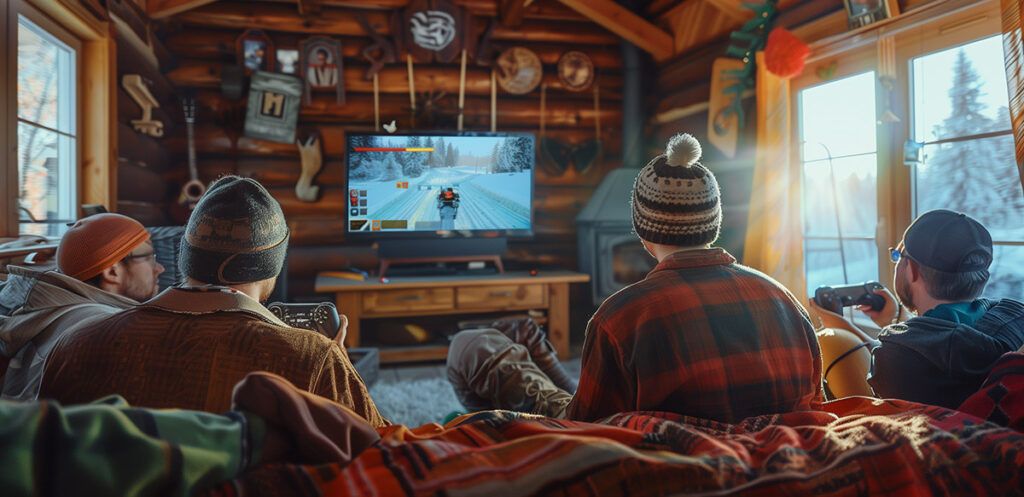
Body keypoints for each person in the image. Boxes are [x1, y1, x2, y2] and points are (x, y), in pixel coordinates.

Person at [448, 133, 823, 423]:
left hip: (632, 449)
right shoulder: (784, 299)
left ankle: (512, 348)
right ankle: (529, 341)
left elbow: (585, 429)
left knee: (469, 346)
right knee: (543, 354)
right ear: (714, 223)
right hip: (744, 450)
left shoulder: (620, 316)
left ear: (643, 234)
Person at [40, 176, 387, 427]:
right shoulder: (311, 357)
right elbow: (383, 450)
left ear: (186, 259)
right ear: (271, 269)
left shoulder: (76, 345)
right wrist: (338, 367)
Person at [0, 371, 378, 497]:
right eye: (149, 255)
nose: (162, 264)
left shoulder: (74, 340)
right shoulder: (315, 352)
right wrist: (247, 435)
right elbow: (379, 441)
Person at [811, 210, 1024, 408]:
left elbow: (902, 351)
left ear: (911, 270)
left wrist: (841, 329)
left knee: (831, 340)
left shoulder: (897, 356)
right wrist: (896, 321)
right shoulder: (1014, 318)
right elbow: (938, 336)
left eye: (898, 256)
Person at [0, 213, 164, 400]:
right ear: (112, 271)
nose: (159, 268)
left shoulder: (43, 310)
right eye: (150, 258)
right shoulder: (109, 330)